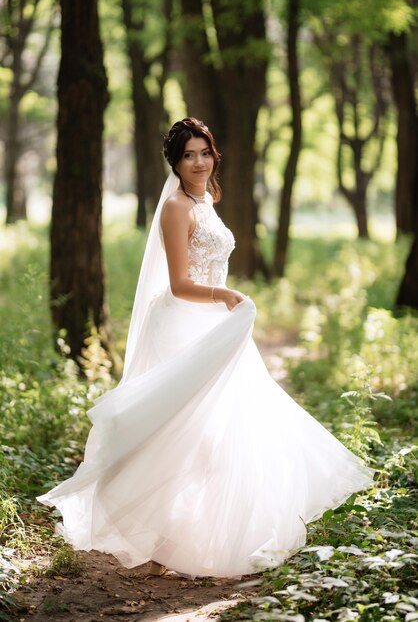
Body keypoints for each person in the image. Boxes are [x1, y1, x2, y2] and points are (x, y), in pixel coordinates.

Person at [38, 117, 374, 579]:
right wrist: (225, 295)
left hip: (216, 322)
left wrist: (224, 302)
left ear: (214, 155)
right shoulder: (177, 206)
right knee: (178, 429)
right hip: (184, 323)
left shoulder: (207, 198)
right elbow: (179, 284)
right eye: (188, 155)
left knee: (223, 428)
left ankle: (204, 531)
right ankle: (155, 532)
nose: (197, 162)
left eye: (204, 152)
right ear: (174, 162)